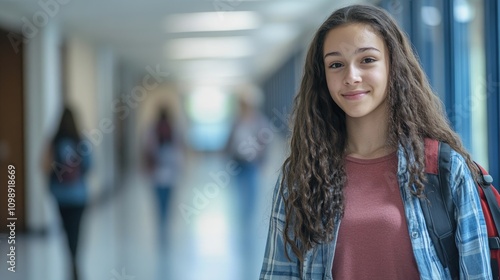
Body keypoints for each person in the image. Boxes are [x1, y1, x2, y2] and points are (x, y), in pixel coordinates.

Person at [260, 4, 491, 280]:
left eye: (367, 60)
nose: (351, 77)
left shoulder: (444, 168)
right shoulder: (300, 177)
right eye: (336, 65)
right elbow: (279, 274)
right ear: (323, 77)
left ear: (393, 65)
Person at [42, 106, 92, 280]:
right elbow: (90, 165)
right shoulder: (81, 141)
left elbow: (45, 167)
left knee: (65, 228)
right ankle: (74, 259)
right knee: (76, 229)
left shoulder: (54, 142)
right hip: (79, 194)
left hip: (60, 195)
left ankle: (71, 258)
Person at [143, 107, 183, 247]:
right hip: (170, 173)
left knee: (159, 200)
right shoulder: (174, 130)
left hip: (157, 173)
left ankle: (161, 222)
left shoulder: (152, 130)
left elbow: (147, 149)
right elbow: (179, 152)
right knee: (167, 200)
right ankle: (164, 222)